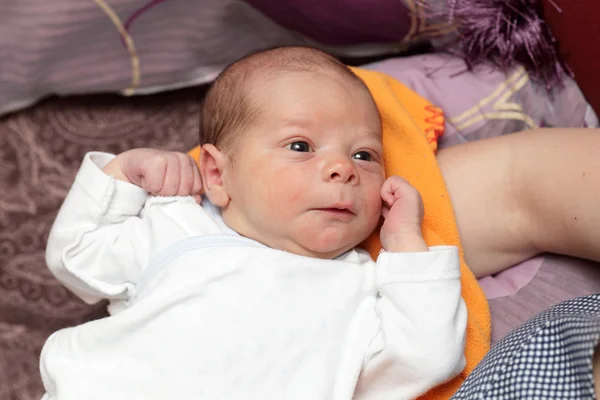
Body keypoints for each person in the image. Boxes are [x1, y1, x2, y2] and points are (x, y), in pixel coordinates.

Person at [40, 47, 468, 399]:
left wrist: (407, 245)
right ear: (217, 175)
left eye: (364, 155)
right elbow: (77, 253)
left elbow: (427, 357)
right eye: (301, 146)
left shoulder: (366, 290)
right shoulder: (178, 226)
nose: (343, 168)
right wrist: (124, 173)